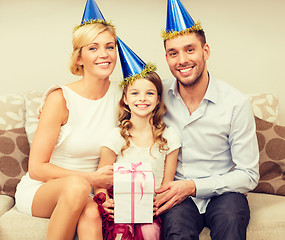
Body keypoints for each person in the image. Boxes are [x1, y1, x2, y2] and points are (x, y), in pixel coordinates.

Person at [15, 1, 122, 239]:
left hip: (90, 192)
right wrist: (91, 179)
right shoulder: (60, 99)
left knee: (92, 213)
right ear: (79, 58)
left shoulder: (123, 97)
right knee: (77, 187)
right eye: (93, 48)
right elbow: (36, 168)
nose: (104, 54)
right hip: (43, 189)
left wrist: (103, 192)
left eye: (110, 47)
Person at [154, 0, 260, 240]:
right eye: (173, 53)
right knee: (176, 231)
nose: (182, 60)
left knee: (232, 222)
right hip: (176, 193)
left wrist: (193, 186)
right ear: (167, 58)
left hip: (224, 193)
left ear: (206, 51)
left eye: (190, 49)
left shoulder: (236, 103)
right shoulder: (156, 97)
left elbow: (249, 174)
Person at [93, 37, 181, 240]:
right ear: (125, 98)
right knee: (122, 233)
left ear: (158, 99)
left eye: (149, 93)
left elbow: (167, 184)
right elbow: (100, 181)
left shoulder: (169, 137)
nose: (142, 98)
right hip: (120, 205)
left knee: (151, 232)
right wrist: (104, 199)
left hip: (151, 208)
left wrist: (156, 204)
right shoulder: (116, 136)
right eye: (135, 93)